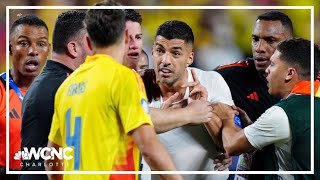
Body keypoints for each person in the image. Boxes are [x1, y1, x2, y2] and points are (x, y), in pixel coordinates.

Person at [45, 3, 182, 180]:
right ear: (126, 37)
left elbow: (51, 157)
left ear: (87, 41)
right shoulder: (124, 78)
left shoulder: (66, 86)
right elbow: (148, 146)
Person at [213, 38, 320, 180]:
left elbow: (231, 145)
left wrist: (226, 116)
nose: (267, 70)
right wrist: (252, 128)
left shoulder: (283, 113)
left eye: (273, 65)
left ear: (290, 73)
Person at [141, 20, 234, 180]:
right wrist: (188, 114)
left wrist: (206, 111)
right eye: (160, 51)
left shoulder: (211, 81)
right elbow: (133, 127)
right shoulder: (138, 85)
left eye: (175, 53)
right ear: (152, 52)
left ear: (190, 57)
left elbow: (228, 143)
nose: (165, 60)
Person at [215, 10, 294, 176]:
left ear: (289, 45)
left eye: (270, 40)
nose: (259, 48)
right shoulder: (229, 76)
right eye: (255, 39)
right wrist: (215, 145)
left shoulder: (311, 85)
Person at [20, 10, 92, 180]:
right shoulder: (69, 87)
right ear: (73, 48)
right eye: (91, 42)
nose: (96, 50)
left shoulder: (42, 83)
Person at [0, 14, 50, 179]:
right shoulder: (1, 90)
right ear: (10, 49)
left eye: (41, 44)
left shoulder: (59, 92)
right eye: (23, 43)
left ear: (48, 50)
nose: (33, 51)